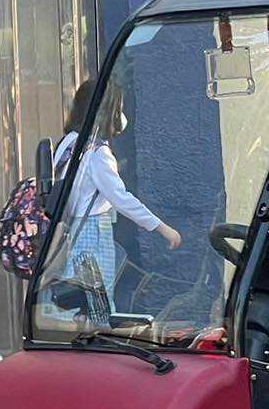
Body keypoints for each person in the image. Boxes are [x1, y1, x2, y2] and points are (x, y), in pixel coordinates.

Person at [50, 78, 182, 325]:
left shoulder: (68, 143)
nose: (121, 115)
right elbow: (121, 199)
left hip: (70, 233)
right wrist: (163, 228)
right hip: (93, 233)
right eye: (118, 108)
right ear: (106, 112)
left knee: (78, 305)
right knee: (99, 306)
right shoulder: (98, 153)